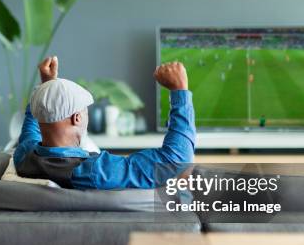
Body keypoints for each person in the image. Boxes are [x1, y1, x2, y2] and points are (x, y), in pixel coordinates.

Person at [13, 56, 195, 190]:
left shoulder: (23, 155)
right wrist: (180, 91)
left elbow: (32, 127)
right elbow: (175, 160)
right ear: (77, 118)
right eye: (85, 110)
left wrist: (48, 88)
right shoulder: (94, 171)